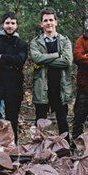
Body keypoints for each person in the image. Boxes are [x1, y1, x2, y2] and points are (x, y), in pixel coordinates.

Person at [0, 11, 29, 142]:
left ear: (17, 25)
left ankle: (13, 145)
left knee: (12, 118)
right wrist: (10, 61)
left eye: (13, 23)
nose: (10, 26)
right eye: (7, 23)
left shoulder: (22, 43)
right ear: (2, 25)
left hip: (14, 85)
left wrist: (2, 56)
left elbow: (20, 60)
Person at [29, 7, 73, 136]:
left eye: (51, 20)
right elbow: (36, 58)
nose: (49, 23)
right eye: (45, 20)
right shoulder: (35, 42)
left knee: (62, 121)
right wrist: (56, 55)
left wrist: (45, 61)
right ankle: (38, 149)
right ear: (41, 23)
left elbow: (66, 61)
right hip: (42, 87)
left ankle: (66, 148)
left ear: (56, 22)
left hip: (60, 86)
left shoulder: (65, 41)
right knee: (40, 121)